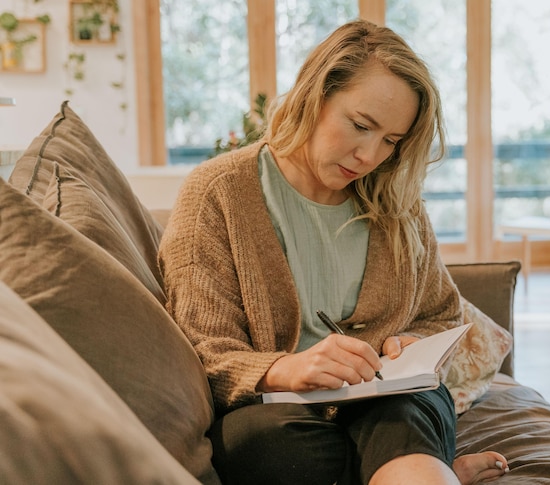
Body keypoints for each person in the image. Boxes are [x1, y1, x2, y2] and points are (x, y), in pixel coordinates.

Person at [159, 19, 509, 485]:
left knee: (404, 417)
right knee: (262, 445)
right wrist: (287, 368)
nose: (369, 155)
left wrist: (411, 345)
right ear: (314, 95)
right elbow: (204, 348)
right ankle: (437, 474)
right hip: (279, 413)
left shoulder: (399, 206)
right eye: (360, 125)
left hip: (390, 405)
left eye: (391, 141)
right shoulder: (217, 194)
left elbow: (440, 314)